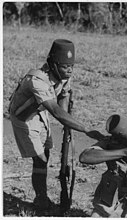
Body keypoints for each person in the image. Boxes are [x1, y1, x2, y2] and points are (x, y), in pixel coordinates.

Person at [9, 39, 103, 211]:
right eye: (64, 66)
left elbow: (63, 100)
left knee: (45, 153)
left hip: (40, 112)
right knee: (40, 160)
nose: (69, 70)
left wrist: (67, 125)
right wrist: (86, 129)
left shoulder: (64, 76)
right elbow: (57, 112)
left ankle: (42, 195)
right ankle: (41, 200)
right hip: (24, 119)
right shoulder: (37, 80)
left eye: (71, 66)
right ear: (52, 64)